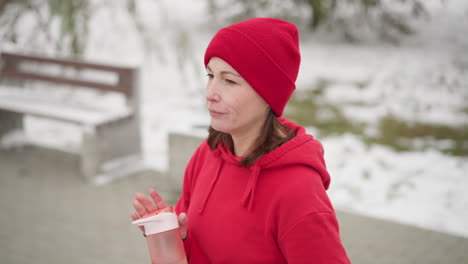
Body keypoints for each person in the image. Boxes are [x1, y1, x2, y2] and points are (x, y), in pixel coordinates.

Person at [131, 17, 351, 263]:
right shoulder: (208, 153)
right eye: (210, 75)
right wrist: (173, 235)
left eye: (229, 81)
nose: (211, 93)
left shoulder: (298, 193)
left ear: (269, 94)